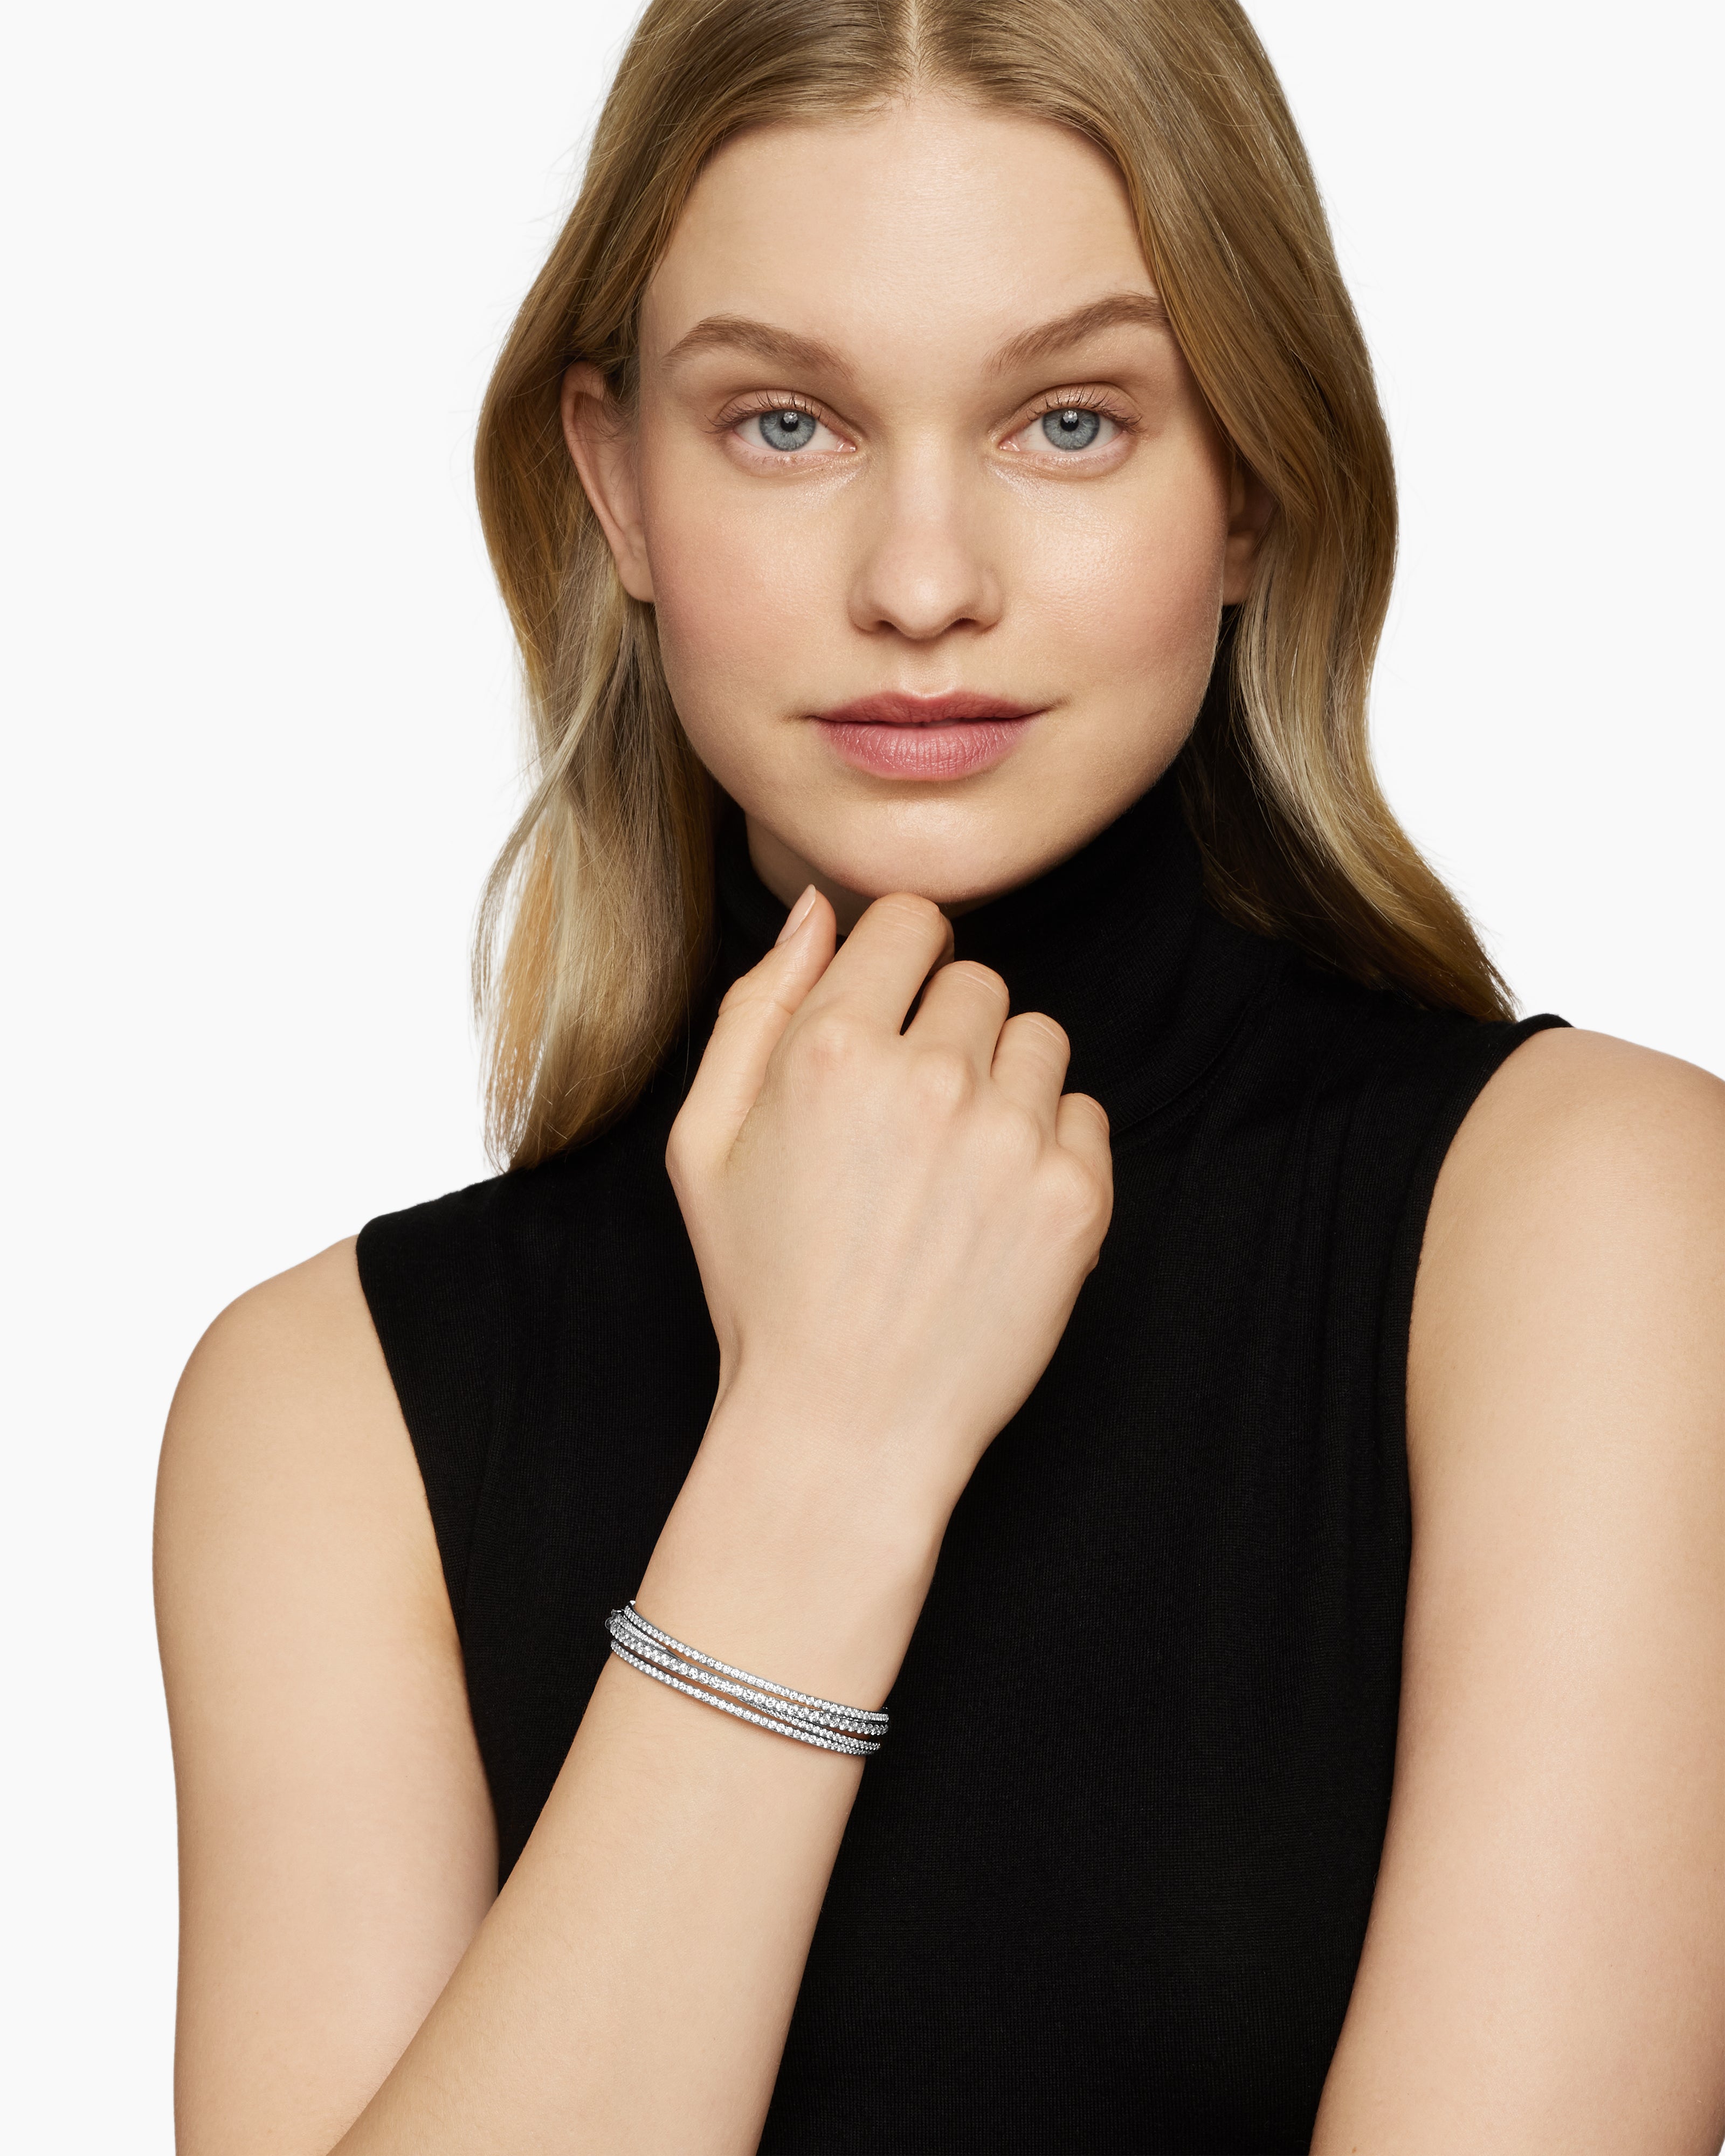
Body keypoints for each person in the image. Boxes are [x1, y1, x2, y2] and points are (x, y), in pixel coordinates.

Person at [153, 2, 1725, 2150]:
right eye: (783, 423)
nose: (920, 585)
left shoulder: (1593, 1233)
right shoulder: (328, 1405)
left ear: (1252, 482)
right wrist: (820, 1451)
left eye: (1070, 421)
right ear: (614, 482)